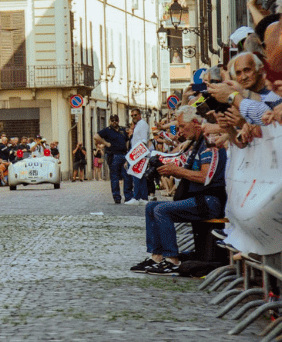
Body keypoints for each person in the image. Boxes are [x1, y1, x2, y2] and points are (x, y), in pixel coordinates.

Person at [131, 105, 228, 276]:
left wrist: (177, 171)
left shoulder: (209, 143)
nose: (180, 131)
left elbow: (205, 177)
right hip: (198, 199)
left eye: (183, 126)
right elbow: (181, 162)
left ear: (196, 123)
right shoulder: (195, 144)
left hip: (209, 201)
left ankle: (172, 260)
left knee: (161, 210)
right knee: (150, 207)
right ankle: (157, 257)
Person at [94, 114, 130, 204]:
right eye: (113, 120)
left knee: (127, 176)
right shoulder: (107, 130)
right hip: (113, 156)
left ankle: (128, 197)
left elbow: (127, 140)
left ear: (118, 121)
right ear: (110, 121)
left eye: (116, 120)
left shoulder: (122, 130)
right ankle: (117, 197)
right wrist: (105, 143)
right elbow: (96, 136)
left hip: (124, 155)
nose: (114, 122)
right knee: (115, 178)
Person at [127, 108, 151, 204]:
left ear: (140, 114)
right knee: (140, 176)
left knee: (136, 176)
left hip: (139, 154)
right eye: (132, 115)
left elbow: (144, 140)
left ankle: (136, 197)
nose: (133, 117)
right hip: (138, 153)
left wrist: (136, 155)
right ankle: (142, 198)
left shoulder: (143, 125)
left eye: (135, 115)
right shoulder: (138, 125)